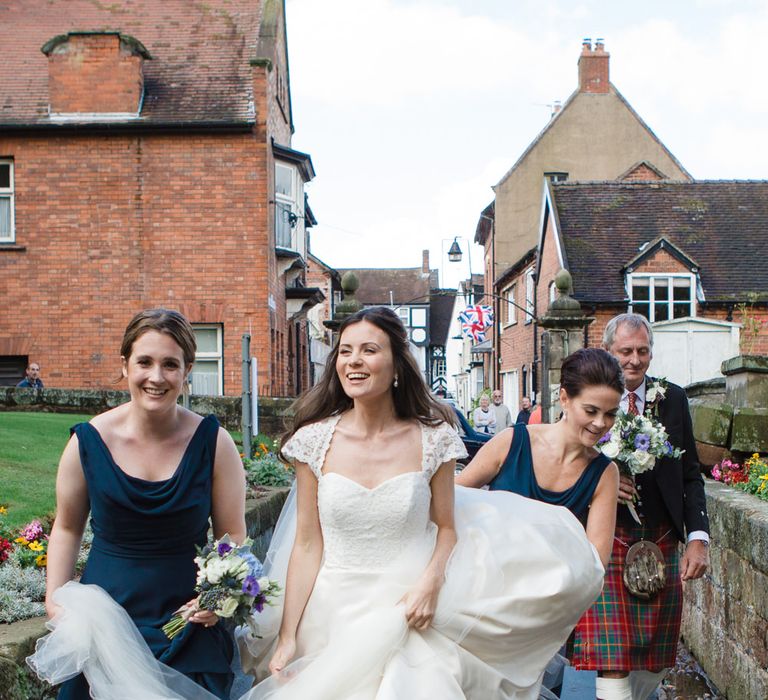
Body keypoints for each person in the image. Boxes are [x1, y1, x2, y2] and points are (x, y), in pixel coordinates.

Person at [237, 306, 605, 700]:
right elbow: (307, 545)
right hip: (331, 614)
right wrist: (289, 635)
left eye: (369, 350)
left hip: (410, 604)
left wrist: (430, 583)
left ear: (396, 364)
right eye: (345, 351)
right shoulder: (313, 442)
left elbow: (447, 527)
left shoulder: (435, 440)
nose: (354, 361)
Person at [43, 309, 247, 700]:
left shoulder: (214, 443)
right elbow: (67, 528)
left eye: (171, 364)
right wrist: (55, 601)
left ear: (187, 369)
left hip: (185, 621)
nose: (157, 377)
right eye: (145, 362)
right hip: (105, 622)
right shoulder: (87, 443)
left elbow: (232, 532)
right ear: (125, 365)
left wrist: (218, 596)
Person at [570, 314, 710, 700]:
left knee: (657, 658)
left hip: (661, 535)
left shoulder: (673, 397)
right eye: (625, 351)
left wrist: (699, 538)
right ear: (609, 350)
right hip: (607, 535)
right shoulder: (589, 400)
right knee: (611, 652)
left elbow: (691, 474)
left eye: (642, 351)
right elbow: (564, 464)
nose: (634, 360)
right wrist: (599, 484)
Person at [456, 348, 622, 568]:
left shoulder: (605, 474)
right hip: (491, 584)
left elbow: (595, 563)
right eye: (591, 411)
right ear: (564, 399)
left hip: (559, 594)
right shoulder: (511, 442)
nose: (601, 423)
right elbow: (451, 500)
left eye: (610, 414)